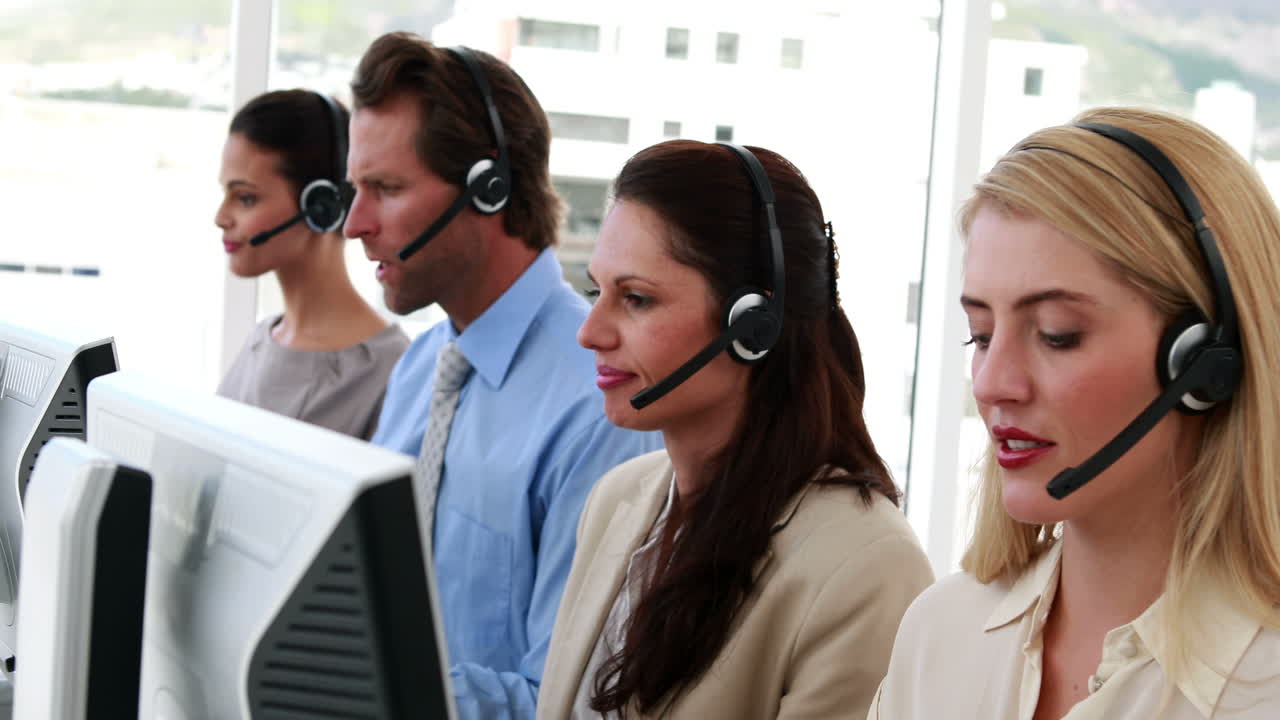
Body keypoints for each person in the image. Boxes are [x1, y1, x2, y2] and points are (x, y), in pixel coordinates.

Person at [871, 107, 1280, 719]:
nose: (992, 383)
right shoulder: (941, 632)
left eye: (1057, 334)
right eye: (979, 335)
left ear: (1202, 363)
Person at [536, 140, 934, 720]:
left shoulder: (866, 567)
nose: (590, 332)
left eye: (637, 299)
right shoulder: (618, 499)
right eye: (598, 292)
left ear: (753, 325)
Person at [342, 33, 662, 718]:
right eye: (354, 189)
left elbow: (567, 695)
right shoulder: (419, 371)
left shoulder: (598, 407)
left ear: (488, 189)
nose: (353, 224)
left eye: (386, 189)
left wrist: (374, 682)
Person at [214, 89, 408, 440]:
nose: (221, 218)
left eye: (245, 198)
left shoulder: (391, 371)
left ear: (320, 206)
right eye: (225, 194)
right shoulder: (262, 340)